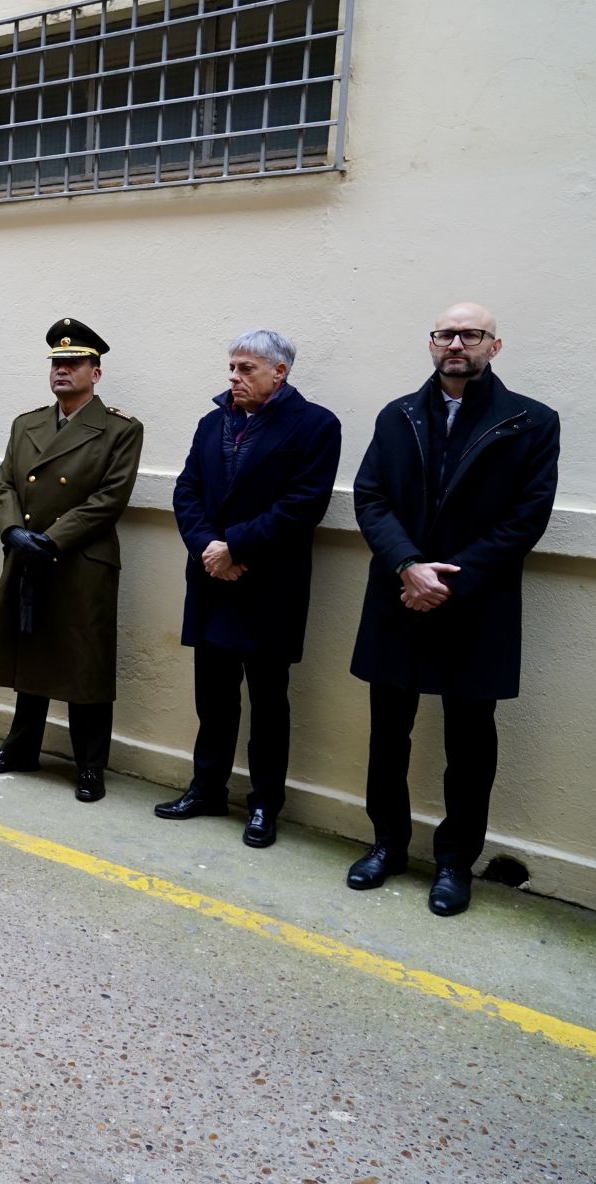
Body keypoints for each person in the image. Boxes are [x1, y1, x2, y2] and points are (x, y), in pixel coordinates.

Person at [345, 301, 559, 917]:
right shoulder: (398, 416)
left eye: (471, 334)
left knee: (469, 745)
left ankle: (454, 864)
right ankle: (386, 845)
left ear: (495, 346)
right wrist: (408, 566)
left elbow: (526, 517)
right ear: (431, 343)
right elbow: (371, 497)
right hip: (398, 595)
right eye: (445, 334)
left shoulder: (530, 422)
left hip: (475, 605)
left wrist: (449, 582)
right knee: (388, 734)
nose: (456, 343)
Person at [157, 330, 342, 847]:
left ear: (279, 372)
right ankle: (207, 789)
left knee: (268, 702)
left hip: (268, 586)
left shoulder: (316, 426)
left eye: (245, 369)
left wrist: (234, 547)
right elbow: (186, 490)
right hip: (213, 579)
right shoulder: (212, 422)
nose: (233, 378)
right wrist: (208, 549)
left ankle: (264, 805)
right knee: (212, 698)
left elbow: (303, 504)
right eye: (231, 368)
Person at [0, 319, 144, 802]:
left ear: (96, 372)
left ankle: (90, 766)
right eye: (56, 363)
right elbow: (4, 482)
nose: (62, 370)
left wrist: (48, 540)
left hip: (79, 560)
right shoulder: (27, 423)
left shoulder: (120, 429)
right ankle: (21, 748)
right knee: (30, 653)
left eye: (73, 363)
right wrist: (12, 530)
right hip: (26, 551)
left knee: (84, 665)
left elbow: (110, 499)